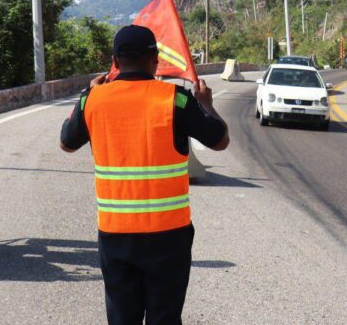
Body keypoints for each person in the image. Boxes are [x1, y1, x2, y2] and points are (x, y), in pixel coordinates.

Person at [60, 25, 229, 325]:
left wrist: (86, 93)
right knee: (164, 318)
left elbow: (66, 143)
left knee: (122, 318)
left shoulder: (93, 100)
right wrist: (206, 105)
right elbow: (220, 140)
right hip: (169, 236)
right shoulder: (176, 99)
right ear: (155, 59)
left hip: (115, 234)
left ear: (114, 62)